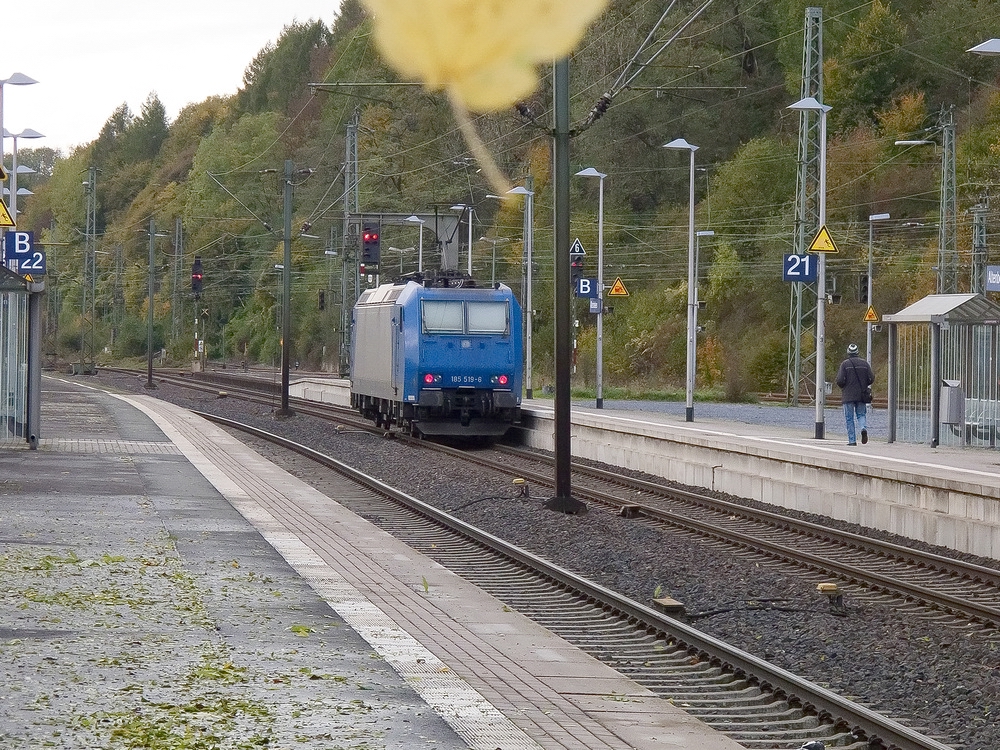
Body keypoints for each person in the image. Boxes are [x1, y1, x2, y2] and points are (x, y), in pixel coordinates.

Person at [835, 343, 875, 446]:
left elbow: (839, 380)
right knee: (861, 414)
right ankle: (863, 428)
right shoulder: (865, 364)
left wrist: (844, 386)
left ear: (848, 352)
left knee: (849, 418)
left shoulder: (845, 364)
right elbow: (871, 378)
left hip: (848, 395)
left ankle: (852, 441)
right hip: (861, 395)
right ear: (857, 352)